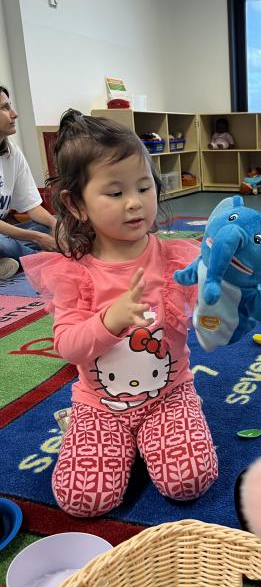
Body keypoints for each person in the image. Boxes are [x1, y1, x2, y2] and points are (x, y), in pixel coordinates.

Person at [22, 109, 218, 518]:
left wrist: (225, 296)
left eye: (144, 187)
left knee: (189, 482)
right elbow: (68, 347)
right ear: (76, 204)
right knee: (83, 501)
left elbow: (212, 317)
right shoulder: (74, 272)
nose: (135, 203)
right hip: (99, 403)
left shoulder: (176, 256)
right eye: (114, 193)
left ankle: (155, 438)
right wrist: (111, 320)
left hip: (169, 394)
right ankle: (105, 436)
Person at [0, 85, 57, 279]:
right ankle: (41, 259)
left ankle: (12, 261)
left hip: (5, 234)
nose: (14, 114)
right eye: (5, 108)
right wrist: (37, 238)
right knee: (4, 243)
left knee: (54, 225)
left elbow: (32, 207)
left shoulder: (12, 152)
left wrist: (55, 225)